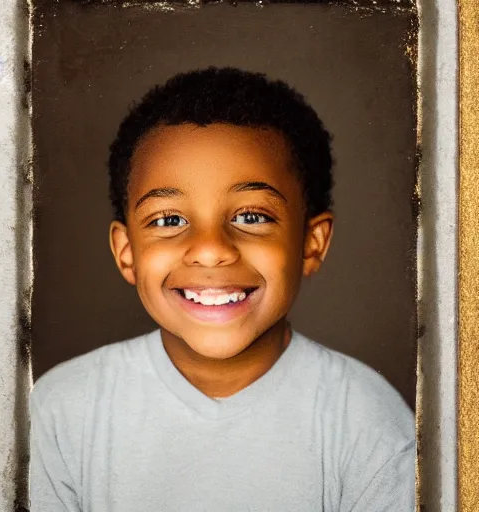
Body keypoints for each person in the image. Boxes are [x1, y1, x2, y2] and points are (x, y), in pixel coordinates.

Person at [29, 67, 415, 511]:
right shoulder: (60, 412)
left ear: (312, 243)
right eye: (169, 220)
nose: (211, 250)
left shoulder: (370, 422)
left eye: (252, 216)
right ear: (127, 252)